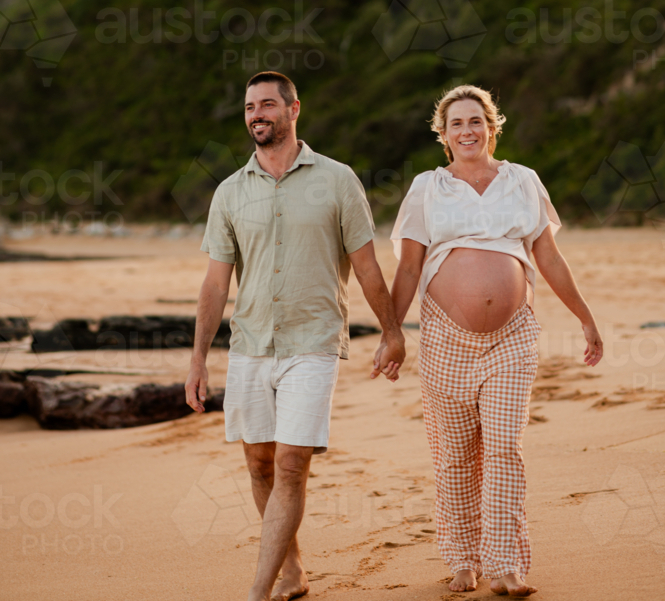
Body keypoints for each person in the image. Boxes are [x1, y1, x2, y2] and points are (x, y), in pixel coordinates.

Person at [185, 71, 405, 601]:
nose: (256, 114)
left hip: (313, 343)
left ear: (293, 109)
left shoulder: (337, 180)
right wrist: (198, 361)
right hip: (250, 345)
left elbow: (368, 267)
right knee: (259, 462)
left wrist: (391, 332)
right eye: (248, 107)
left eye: (266, 104)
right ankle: (292, 571)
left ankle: (257, 591)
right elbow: (216, 284)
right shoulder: (230, 192)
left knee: (290, 462)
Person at [376, 84, 603, 598]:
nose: (467, 131)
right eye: (456, 123)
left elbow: (548, 257)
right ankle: (462, 560)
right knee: (455, 454)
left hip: (513, 337)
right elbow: (409, 267)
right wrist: (393, 333)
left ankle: (505, 567)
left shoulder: (522, 181)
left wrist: (585, 317)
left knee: (504, 448)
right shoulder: (427, 188)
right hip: (444, 337)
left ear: (492, 126)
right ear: (444, 134)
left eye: (475, 120)